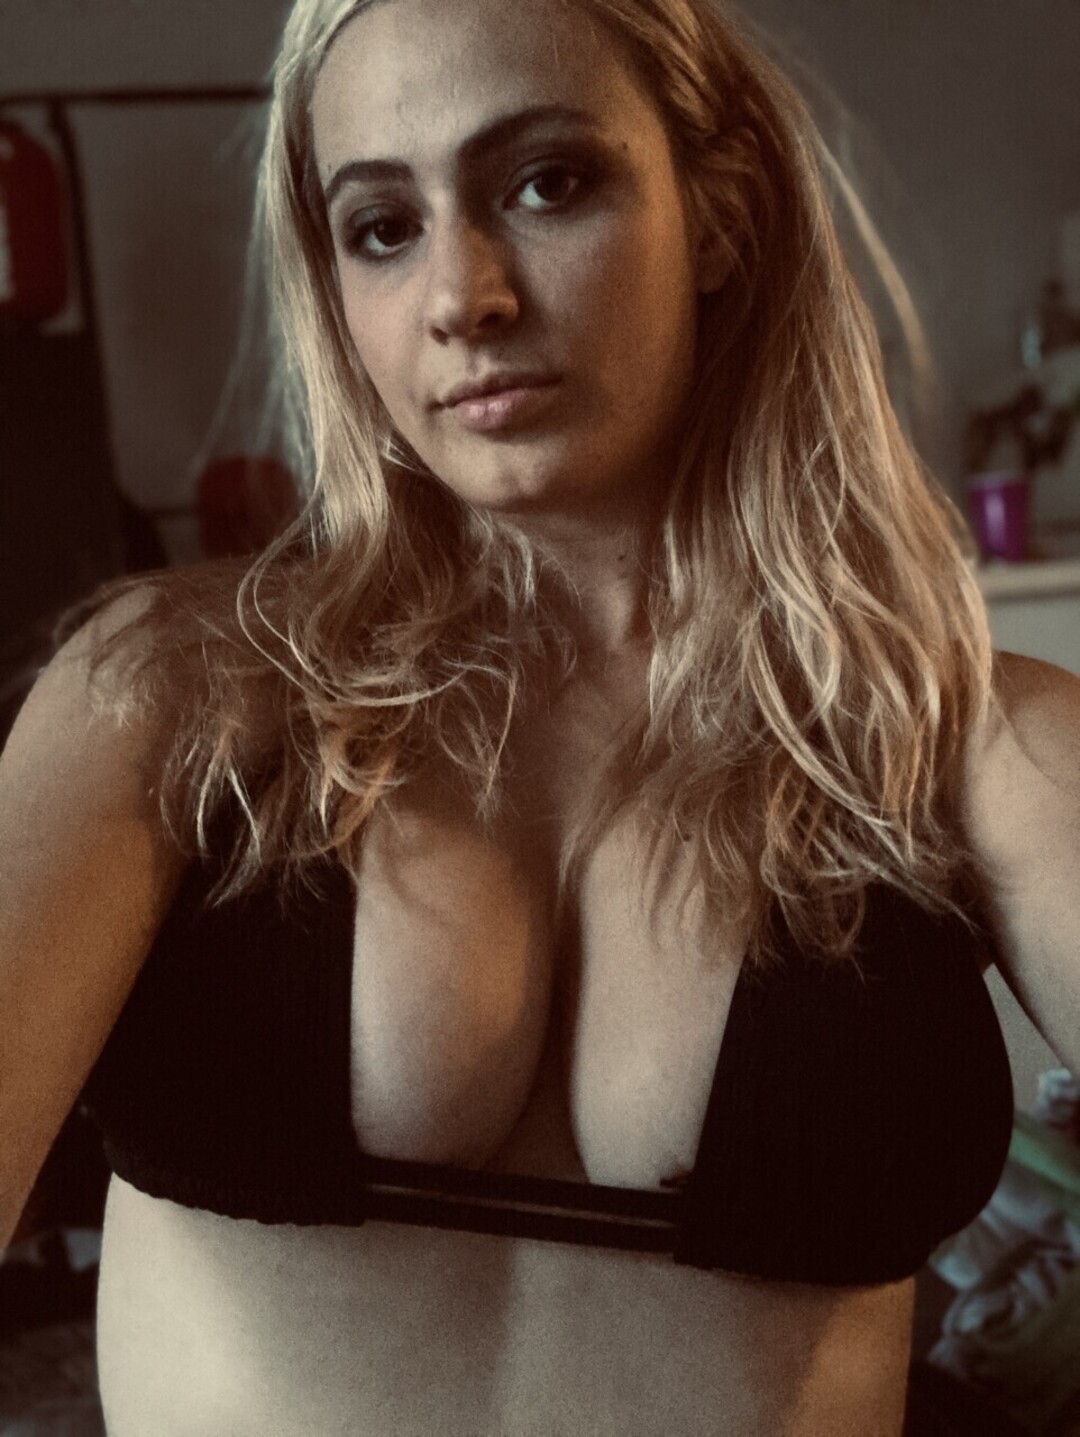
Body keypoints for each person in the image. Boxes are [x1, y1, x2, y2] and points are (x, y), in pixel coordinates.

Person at [1, 0, 1078, 1431]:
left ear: (720, 218)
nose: (463, 297)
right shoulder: (167, 699)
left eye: (547, 183)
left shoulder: (970, 748)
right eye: (382, 227)